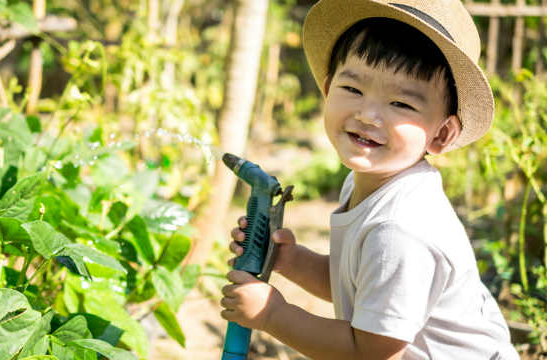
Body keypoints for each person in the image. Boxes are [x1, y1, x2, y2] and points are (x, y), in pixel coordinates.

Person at [219, 0, 520, 359]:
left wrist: (272, 315)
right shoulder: (370, 182)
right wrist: (289, 259)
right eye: (354, 90)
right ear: (329, 89)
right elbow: (359, 284)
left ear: (441, 134)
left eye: (401, 104)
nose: (368, 115)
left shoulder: (401, 229)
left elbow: (370, 351)